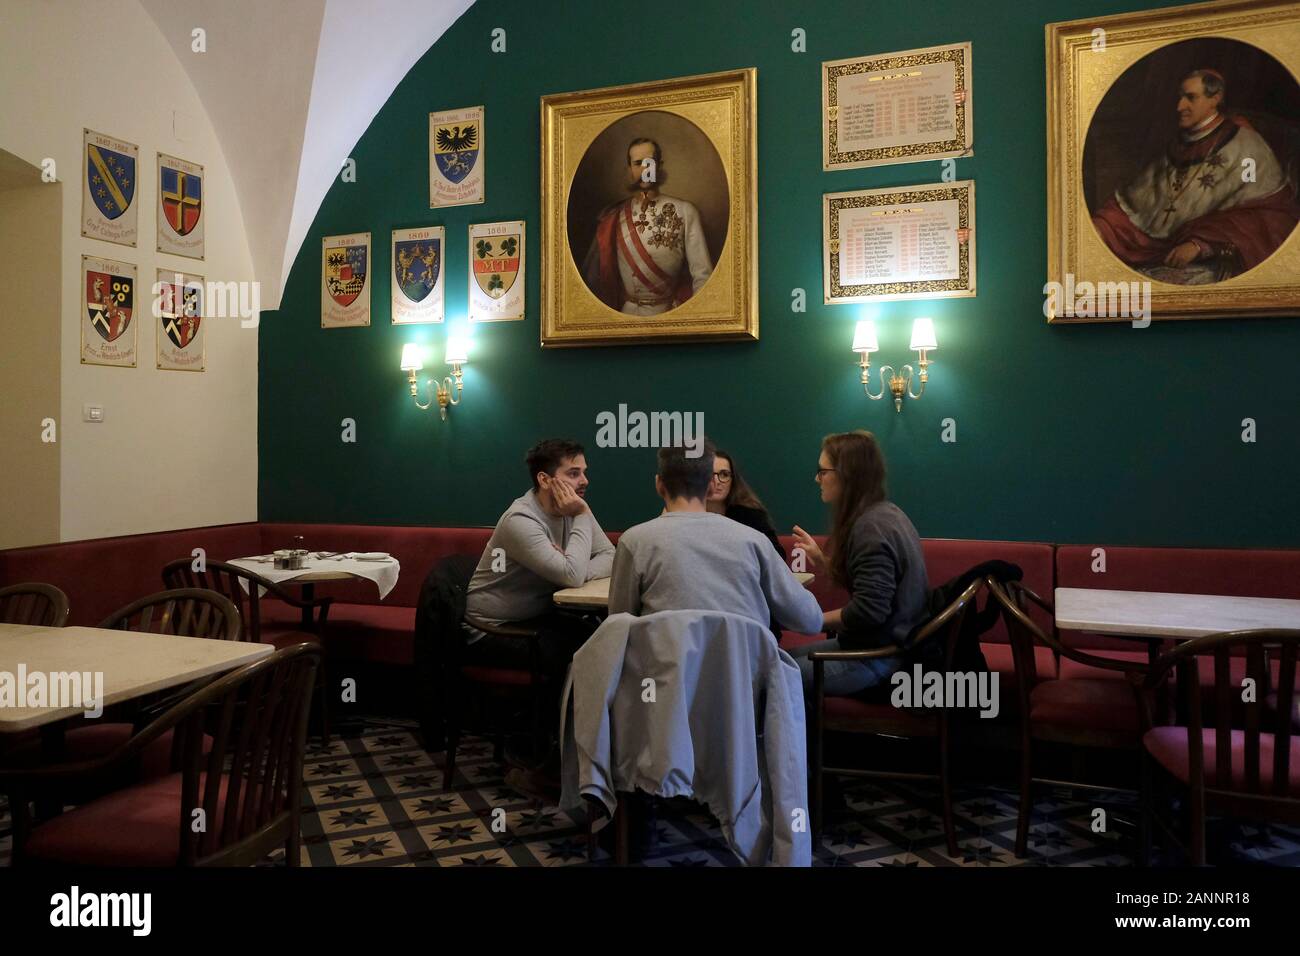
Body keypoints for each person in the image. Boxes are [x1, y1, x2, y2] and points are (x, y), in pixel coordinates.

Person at [1091, 69, 1300, 284]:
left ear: (1215, 99)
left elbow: (1271, 217)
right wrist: (1101, 225)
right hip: (1158, 249)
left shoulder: (1246, 146)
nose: (1179, 106)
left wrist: (1201, 245)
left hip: (1216, 256)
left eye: (1190, 97)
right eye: (1180, 97)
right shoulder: (1178, 145)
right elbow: (1136, 203)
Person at [608, 442, 822, 636]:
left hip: (665, 677)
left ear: (659, 484)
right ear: (711, 486)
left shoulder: (634, 542)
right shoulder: (755, 542)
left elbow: (619, 626)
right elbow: (811, 620)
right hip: (745, 677)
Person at [787, 431, 929, 696]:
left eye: (823, 471)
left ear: (846, 475)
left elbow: (869, 612)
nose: (817, 479)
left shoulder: (870, 529)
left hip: (879, 658)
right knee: (779, 660)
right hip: (881, 646)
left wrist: (810, 621)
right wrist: (820, 558)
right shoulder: (885, 513)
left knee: (772, 675)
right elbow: (872, 588)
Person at [464, 438, 614, 673]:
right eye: (574, 474)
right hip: (493, 629)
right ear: (544, 479)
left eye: (584, 473)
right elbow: (570, 575)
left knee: (604, 637)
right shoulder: (520, 520)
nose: (585, 481)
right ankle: (560, 710)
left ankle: (580, 710)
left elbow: (609, 556)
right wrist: (568, 569)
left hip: (539, 617)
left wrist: (572, 568)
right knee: (581, 650)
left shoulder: (574, 509)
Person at [581, 137, 715, 315]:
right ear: (630, 169)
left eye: (649, 162)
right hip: (624, 316)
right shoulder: (614, 215)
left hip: (668, 313)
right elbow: (597, 280)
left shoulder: (685, 211)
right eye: (638, 164)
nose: (645, 169)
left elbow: (702, 277)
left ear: (659, 166)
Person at [707, 448, 786, 560]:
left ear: (733, 480)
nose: (717, 481)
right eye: (709, 474)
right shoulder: (687, 516)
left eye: (724, 474)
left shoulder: (750, 516)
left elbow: (777, 556)